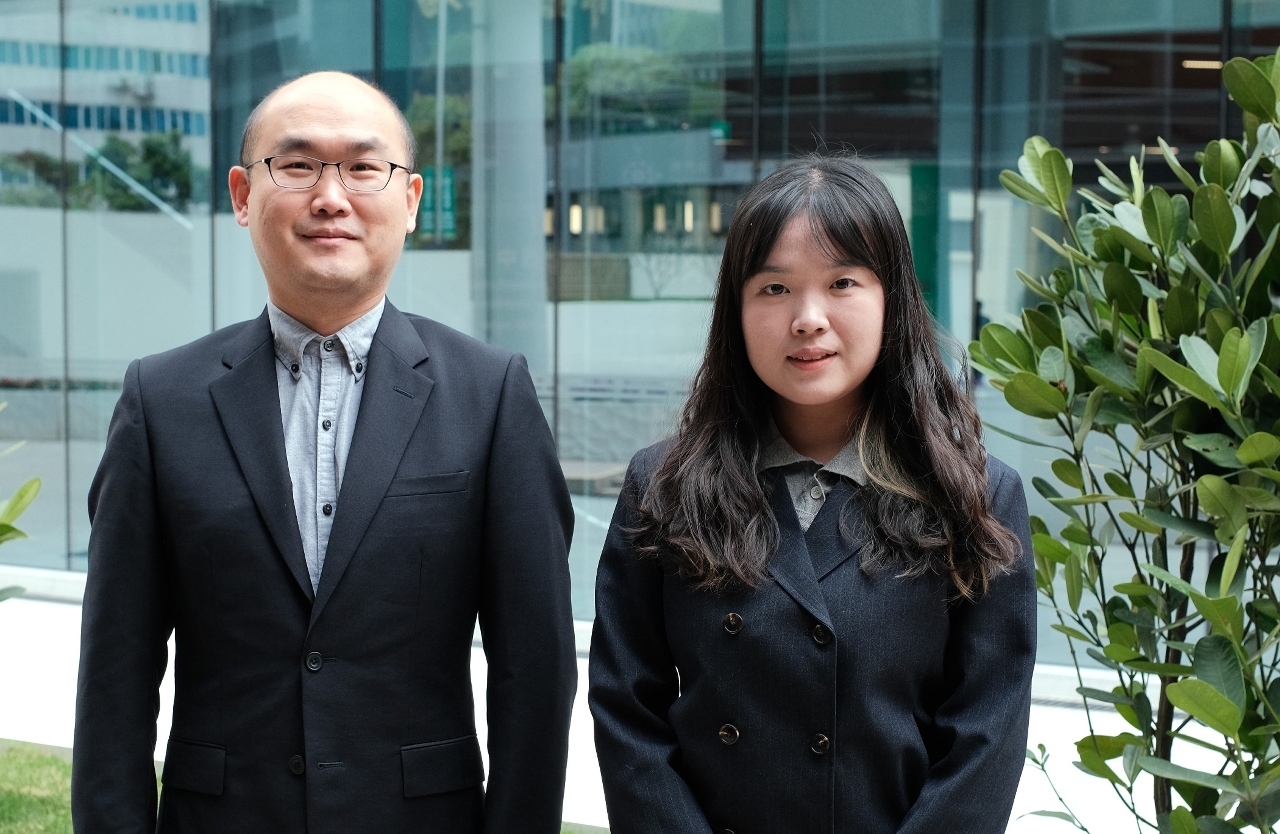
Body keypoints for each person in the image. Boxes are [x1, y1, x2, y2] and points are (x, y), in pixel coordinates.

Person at [72, 71, 577, 834]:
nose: (331, 197)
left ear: (410, 199)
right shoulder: (160, 400)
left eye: (364, 167)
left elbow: (534, 668)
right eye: (298, 165)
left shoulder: (491, 394)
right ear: (243, 195)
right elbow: (116, 670)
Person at [589, 157, 1036, 834]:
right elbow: (628, 714)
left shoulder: (973, 495)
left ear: (892, 299)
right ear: (735, 310)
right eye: (774, 288)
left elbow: (986, 737)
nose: (808, 319)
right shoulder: (664, 486)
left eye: (842, 283)